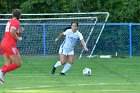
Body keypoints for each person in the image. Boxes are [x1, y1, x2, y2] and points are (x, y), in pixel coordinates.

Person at [0, 9, 24, 84]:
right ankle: (1, 72)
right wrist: (18, 38)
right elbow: (12, 31)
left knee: (8, 64)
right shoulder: (16, 21)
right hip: (9, 45)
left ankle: (0, 76)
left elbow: (12, 32)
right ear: (19, 16)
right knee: (18, 64)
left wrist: (19, 32)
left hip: (4, 43)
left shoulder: (9, 21)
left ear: (12, 15)